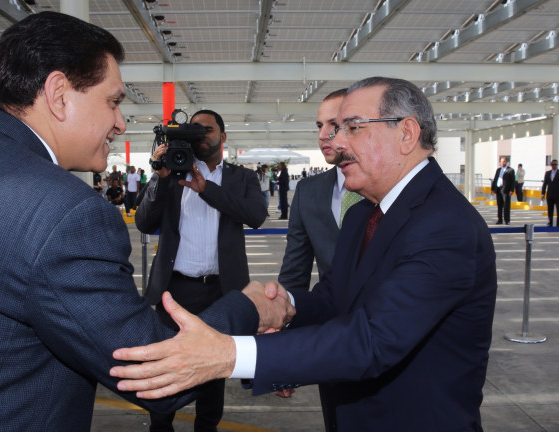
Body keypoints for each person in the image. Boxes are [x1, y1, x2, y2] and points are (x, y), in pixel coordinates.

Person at [0, 12, 293, 432]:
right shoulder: (63, 211)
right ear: (58, 95)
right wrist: (250, 308)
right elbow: (155, 373)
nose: (119, 123)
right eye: (112, 101)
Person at [111, 77, 498, 432]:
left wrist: (229, 354)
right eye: (336, 129)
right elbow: (334, 297)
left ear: (406, 133)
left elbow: (371, 340)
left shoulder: (445, 225)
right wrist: (283, 303)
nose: (337, 142)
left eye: (352, 127)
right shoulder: (364, 213)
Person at [135, 108, 267, 432]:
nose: (200, 135)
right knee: (164, 364)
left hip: (221, 291)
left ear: (223, 136)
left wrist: (206, 188)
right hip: (175, 291)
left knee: (212, 371)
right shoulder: (172, 172)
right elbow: (144, 222)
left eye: (207, 129)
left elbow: (255, 215)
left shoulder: (242, 178)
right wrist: (159, 176)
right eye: (193, 130)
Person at [278, 88, 359, 292]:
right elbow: (294, 274)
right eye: (320, 126)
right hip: (330, 310)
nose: (323, 135)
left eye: (334, 125)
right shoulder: (307, 192)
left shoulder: (391, 186)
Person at [491, 156, 515, 225]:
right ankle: (500, 220)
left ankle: (507, 220)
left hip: (506, 190)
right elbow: (495, 179)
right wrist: (493, 188)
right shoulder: (498, 170)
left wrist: (511, 190)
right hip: (498, 190)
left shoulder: (510, 170)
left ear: (506, 162)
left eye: (504, 161)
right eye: (501, 161)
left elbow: (513, 181)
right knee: (499, 206)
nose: (502, 163)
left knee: (506, 206)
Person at [542, 159, 559, 226]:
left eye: (555, 164)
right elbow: (544, 184)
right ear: (551, 165)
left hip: (558, 195)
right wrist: (542, 194)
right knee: (550, 210)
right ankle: (550, 222)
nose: (554, 166)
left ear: (557, 165)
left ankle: (558, 224)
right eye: (552, 164)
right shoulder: (547, 173)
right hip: (550, 195)